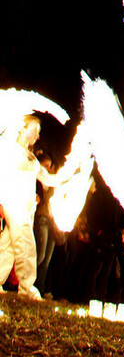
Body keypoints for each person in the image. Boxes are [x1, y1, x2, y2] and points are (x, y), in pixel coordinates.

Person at [0, 114, 71, 299]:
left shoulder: (31, 156)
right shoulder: (8, 149)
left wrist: (68, 173)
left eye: (39, 132)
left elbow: (47, 178)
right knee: (26, 245)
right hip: (14, 204)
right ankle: (27, 288)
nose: (37, 136)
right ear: (22, 129)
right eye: (34, 131)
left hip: (27, 207)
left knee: (8, 246)